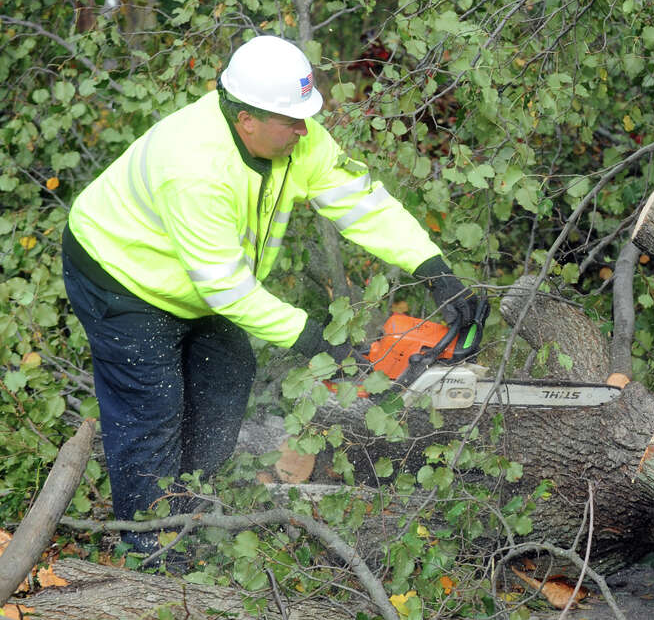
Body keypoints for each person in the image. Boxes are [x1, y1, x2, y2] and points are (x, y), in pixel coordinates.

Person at [61, 35, 483, 558]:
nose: (305, 130)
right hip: (119, 275)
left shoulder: (293, 138)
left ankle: (190, 505)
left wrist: (430, 264)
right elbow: (226, 288)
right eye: (293, 121)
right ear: (247, 121)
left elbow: (360, 200)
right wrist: (311, 339)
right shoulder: (194, 167)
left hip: (201, 283)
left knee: (227, 378)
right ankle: (150, 545)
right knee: (153, 405)